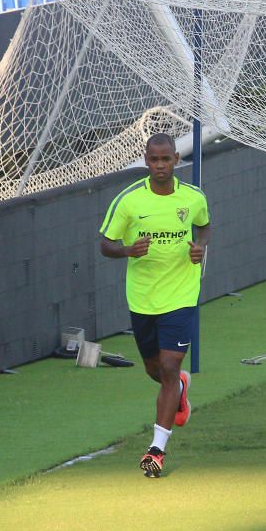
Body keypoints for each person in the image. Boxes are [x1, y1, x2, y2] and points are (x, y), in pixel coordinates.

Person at [98, 133, 211, 478]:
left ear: (176, 159)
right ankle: (179, 388)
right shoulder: (129, 202)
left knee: (169, 363)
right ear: (146, 161)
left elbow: (204, 227)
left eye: (166, 159)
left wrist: (199, 248)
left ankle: (156, 450)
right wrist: (127, 251)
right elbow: (105, 244)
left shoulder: (193, 198)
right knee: (157, 371)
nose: (160, 166)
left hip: (181, 295)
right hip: (143, 298)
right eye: (154, 160)